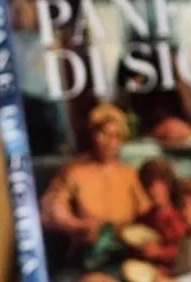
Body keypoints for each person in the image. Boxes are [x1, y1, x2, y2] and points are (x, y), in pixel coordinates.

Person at [40, 103, 149, 243]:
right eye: (104, 134)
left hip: (124, 243)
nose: (110, 142)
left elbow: (145, 210)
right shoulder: (75, 171)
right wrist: (76, 225)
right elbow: (54, 208)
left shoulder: (128, 173)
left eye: (117, 136)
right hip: (88, 245)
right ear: (93, 135)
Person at [136, 159, 189, 267]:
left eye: (157, 184)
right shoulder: (145, 218)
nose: (152, 190)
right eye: (147, 185)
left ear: (168, 184)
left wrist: (160, 252)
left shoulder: (183, 215)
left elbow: (189, 250)